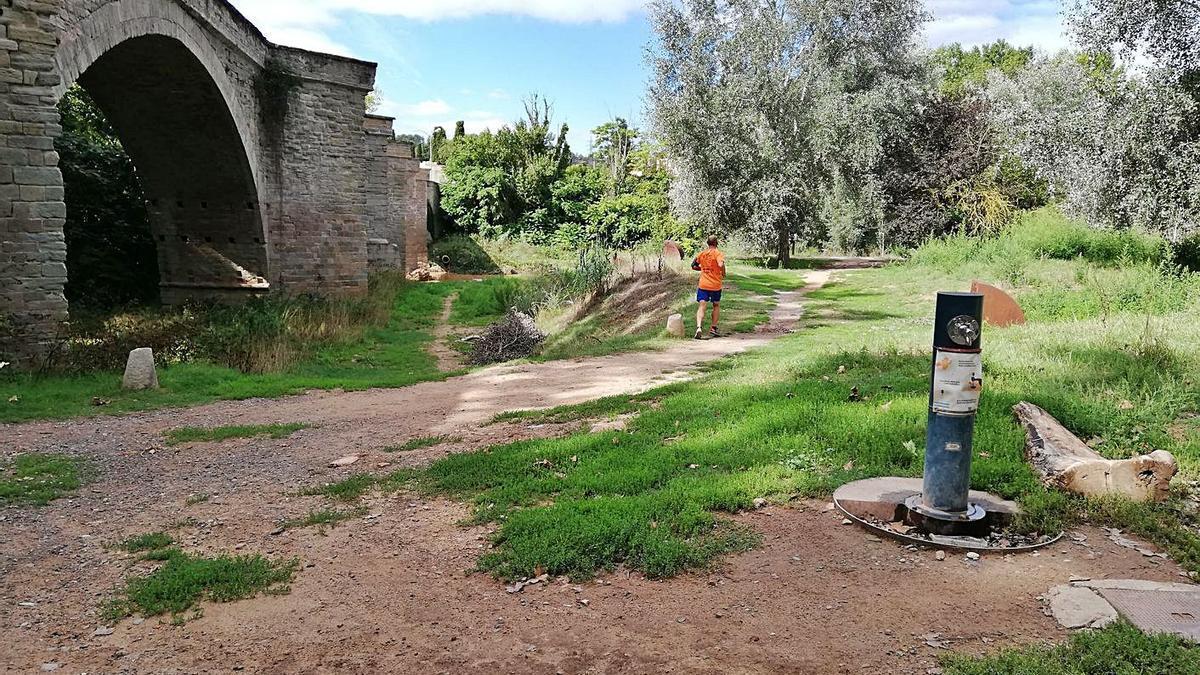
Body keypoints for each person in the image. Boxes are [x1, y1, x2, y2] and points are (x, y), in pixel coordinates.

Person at [691, 235, 726, 339]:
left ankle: (699, 327)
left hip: (703, 284)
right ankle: (713, 328)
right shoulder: (718, 253)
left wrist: (702, 269)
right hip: (715, 285)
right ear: (716, 243)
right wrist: (723, 270)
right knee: (716, 305)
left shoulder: (702, 254)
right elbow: (720, 265)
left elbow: (693, 265)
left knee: (702, 306)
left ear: (708, 243)